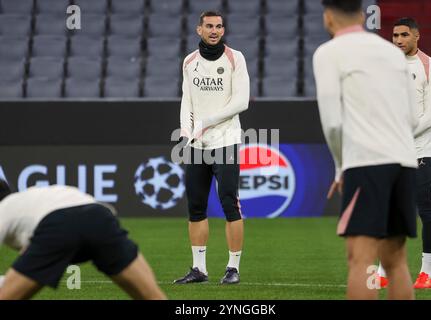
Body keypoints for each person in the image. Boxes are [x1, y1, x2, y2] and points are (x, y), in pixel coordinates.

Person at [313, 0, 419, 299]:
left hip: (367, 164)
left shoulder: (329, 52)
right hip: (404, 162)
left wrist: (340, 165)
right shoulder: (392, 52)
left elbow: (332, 122)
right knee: (396, 262)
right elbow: (412, 116)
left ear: (328, 17)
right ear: (362, 15)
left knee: (362, 262)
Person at [173, 11, 250, 285]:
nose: (215, 30)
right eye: (209, 26)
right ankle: (199, 269)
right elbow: (187, 100)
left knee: (230, 204)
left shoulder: (235, 58)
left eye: (219, 26)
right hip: (196, 144)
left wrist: (206, 122)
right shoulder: (189, 62)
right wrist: (185, 130)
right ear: (199, 30)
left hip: (226, 140)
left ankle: (233, 268)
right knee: (195, 207)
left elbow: (242, 102)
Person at [0, 180, 166, 300]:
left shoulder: (4, 209)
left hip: (58, 226)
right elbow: (28, 257)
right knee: (152, 296)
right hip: (100, 218)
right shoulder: (32, 198)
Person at [377, 18, 431, 290]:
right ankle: (382, 271)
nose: (398, 40)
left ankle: (426, 273)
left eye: (404, 35)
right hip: (390, 152)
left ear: (417, 36)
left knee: (425, 211)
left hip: (419, 153)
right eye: (395, 35)